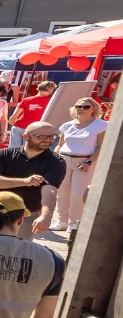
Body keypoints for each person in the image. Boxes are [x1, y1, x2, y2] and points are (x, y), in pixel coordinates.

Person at [0, 120, 64, 236]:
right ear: (25, 137)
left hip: (27, 214)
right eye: (41, 136)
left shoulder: (56, 161)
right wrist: (25, 181)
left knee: (18, 252)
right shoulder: (4, 154)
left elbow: (49, 190)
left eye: (51, 136)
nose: (47, 140)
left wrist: (46, 216)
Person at [53, 98, 107, 233]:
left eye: (86, 106)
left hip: (85, 161)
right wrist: (54, 159)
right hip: (64, 159)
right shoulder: (67, 125)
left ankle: (74, 223)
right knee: (62, 192)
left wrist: (89, 161)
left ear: (93, 108)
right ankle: (62, 221)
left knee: (78, 193)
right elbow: (60, 145)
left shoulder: (100, 125)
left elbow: (101, 147)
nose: (81, 109)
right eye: (79, 106)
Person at [9, 80, 56, 148]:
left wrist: (12, 123)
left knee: (13, 151)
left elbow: (14, 116)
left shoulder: (26, 100)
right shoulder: (51, 102)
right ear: (50, 91)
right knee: (28, 151)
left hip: (19, 126)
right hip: (34, 129)